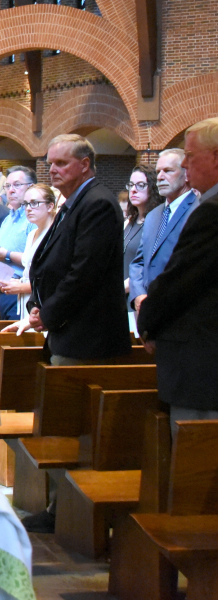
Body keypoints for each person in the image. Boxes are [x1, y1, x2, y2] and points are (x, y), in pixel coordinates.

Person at [17, 134, 131, 534]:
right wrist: (41, 300)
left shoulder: (97, 204)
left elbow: (85, 271)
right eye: (50, 164)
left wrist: (50, 312)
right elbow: (56, 261)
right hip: (69, 330)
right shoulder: (76, 202)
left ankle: (69, 511)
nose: (53, 171)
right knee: (63, 424)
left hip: (88, 337)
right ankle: (59, 507)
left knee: (76, 428)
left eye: (61, 163)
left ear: (85, 163)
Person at [137, 117, 218, 423]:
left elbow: (181, 281)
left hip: (203, 367)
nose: (186, 163)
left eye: (191, 155)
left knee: (197, 466)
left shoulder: (211, 212)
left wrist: (148, 320)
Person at [129, 149, 199, 315]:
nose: (160, 177)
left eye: (168, 171)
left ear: (186, 174)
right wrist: (139, 295)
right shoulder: (153, 215)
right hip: (147, 312)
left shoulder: (198, 209)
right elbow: (139, 261)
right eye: (158, 171)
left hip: (181, 312)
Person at [0, 185, 57, 321]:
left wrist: (21, 286)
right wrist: (14, 282)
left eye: (34, 203)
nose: (28, 208)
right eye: (26, 204)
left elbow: (54, 280)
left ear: (50, 206)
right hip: (27, 302)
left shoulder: (55, 235)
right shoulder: (31, 235)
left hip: (45, 304)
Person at [0, 166, 37, 319]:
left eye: (17, 185)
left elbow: (36, 261)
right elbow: (0, 267)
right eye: (8, 186)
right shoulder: (7, 220)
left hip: (24, 293)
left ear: (31, 187)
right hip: (4, 292)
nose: (11, 190)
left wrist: (7, 254)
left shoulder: (33, 220)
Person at [122, 166, 160, 301]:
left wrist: (116, 289)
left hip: (136, 299)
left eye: (141, 185)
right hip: (118, 298)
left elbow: (147, 269)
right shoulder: (129, 221)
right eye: (131, 185)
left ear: (153, 188)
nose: (133, 190)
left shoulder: (156, 222)